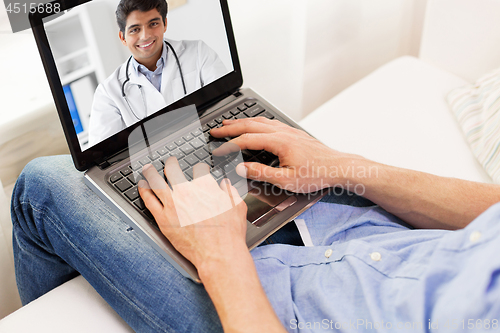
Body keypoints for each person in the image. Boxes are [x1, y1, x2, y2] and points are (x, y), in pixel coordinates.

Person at [12, 117, 500, 332]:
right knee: (232, 141)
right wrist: (344, 166)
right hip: (366, 236)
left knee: (42, 185)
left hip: (263, 314)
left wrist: (220, 251)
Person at [88, 0, 228, 147]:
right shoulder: (108, 92)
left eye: (153, 24)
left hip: (209, 140)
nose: (145, 36)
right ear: (123, 37)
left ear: (165, 24)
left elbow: (227, 102)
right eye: (135, 29)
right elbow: (103, 152)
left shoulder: (199, 52)